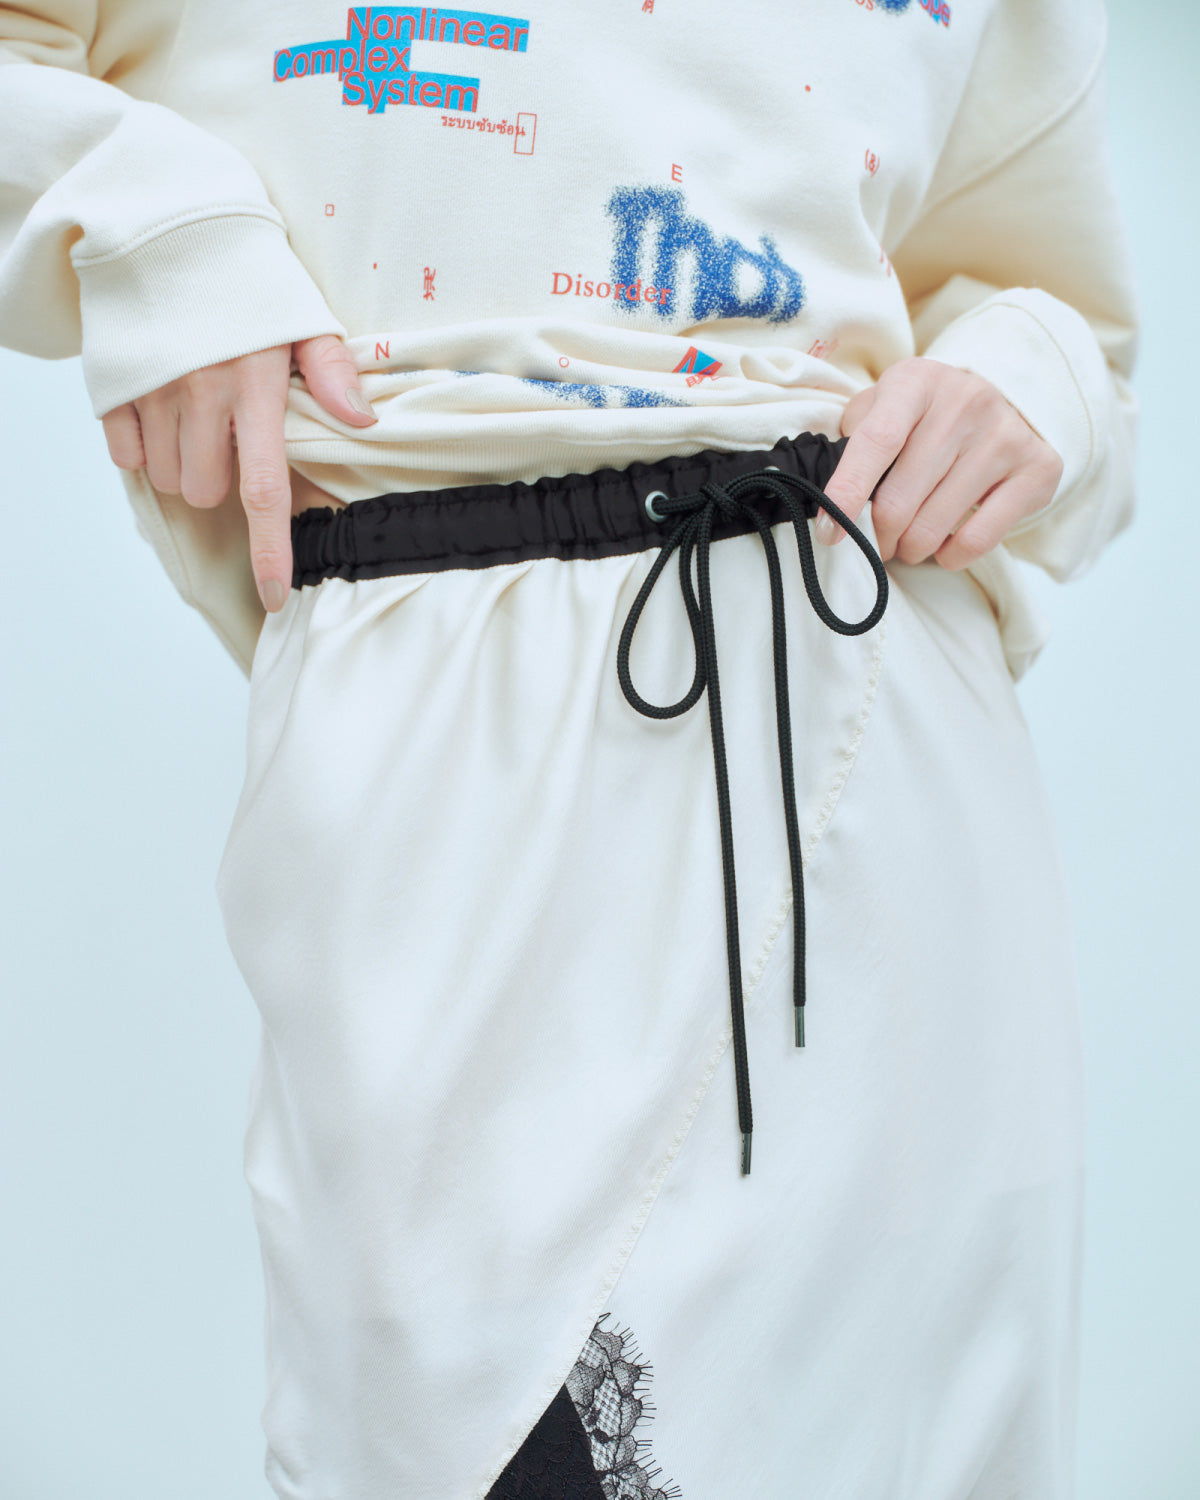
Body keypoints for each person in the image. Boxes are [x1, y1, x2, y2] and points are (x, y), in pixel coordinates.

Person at [0, 2, 1139, 1497]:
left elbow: (1059, 307)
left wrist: (1035, 379)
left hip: (880, 717)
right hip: (433, 692)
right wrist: (154, 220)